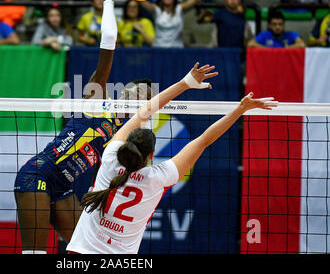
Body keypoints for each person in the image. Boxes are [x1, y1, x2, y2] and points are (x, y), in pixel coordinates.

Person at [14, 0, 152, 254]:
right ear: (123, 90)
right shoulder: (96, 102)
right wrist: (110, 0)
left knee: (88, 250)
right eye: (134, 90)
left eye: (143, 99)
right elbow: (107, 47)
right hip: (37, 176)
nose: (135, 96)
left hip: (64, 188)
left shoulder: (122, 139)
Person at [66, 75, 277, 254]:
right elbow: (204, 139)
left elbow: (144, 112)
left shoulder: (110, 157)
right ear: (151, 155)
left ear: (126, 145)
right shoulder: (159, 177)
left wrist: (186, 82)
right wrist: (240, 109)